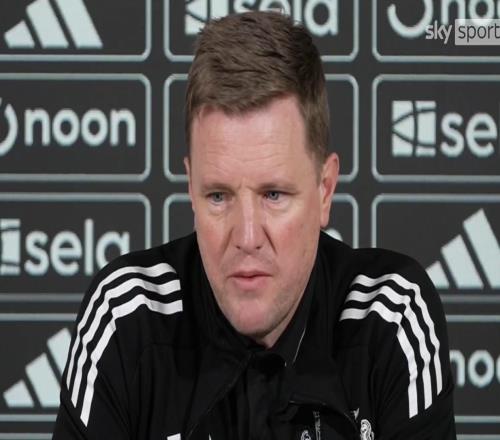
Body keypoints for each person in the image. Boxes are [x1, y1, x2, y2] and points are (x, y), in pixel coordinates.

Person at [54, 10, 456, 440]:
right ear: (190, 188)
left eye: (273, 195)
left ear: (324, 190)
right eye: (218, 196)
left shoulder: (390, 314)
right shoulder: (126, 317)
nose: (246, 238)